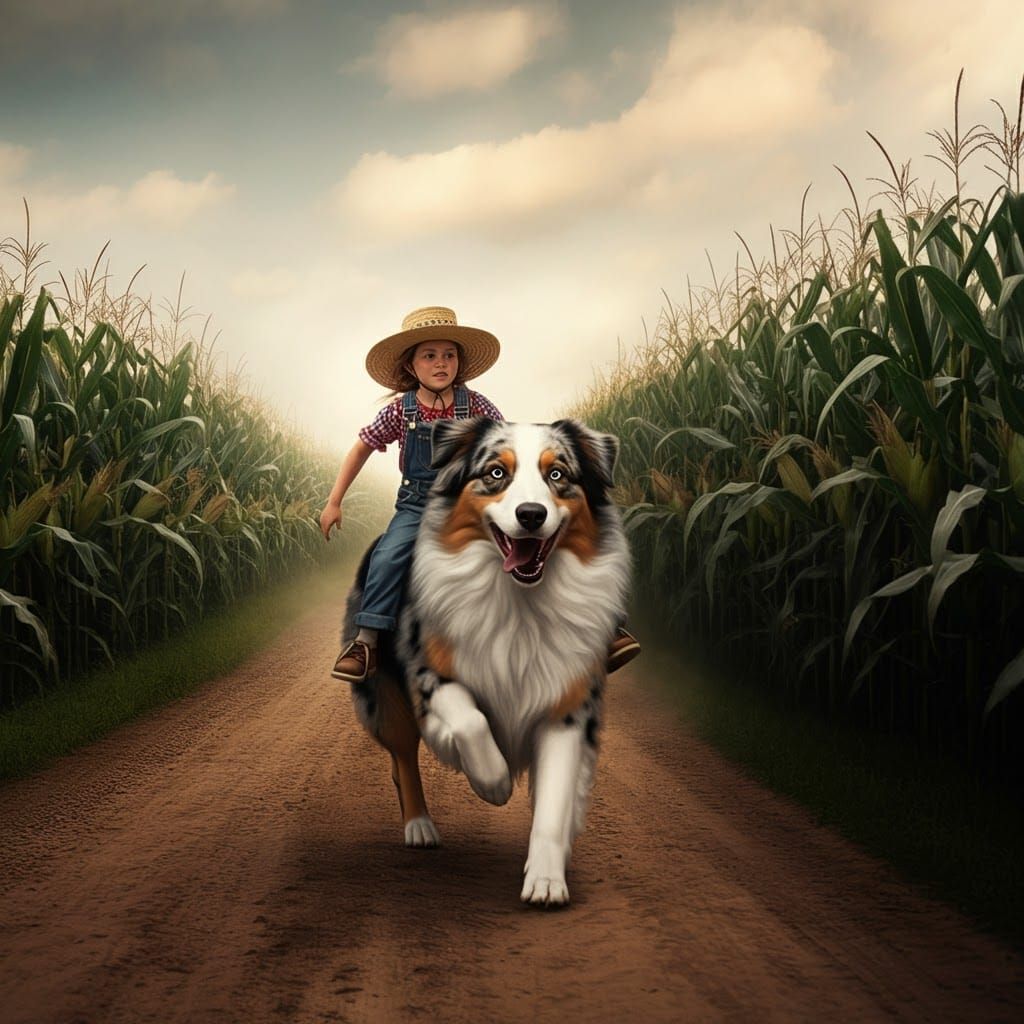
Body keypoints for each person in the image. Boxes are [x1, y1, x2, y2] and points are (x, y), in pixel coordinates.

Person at [320, 305, 640, 682]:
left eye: (449, 355)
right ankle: (366, 642)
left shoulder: (475, 405)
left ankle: (604, 629)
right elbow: (362, 447)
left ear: (459, 361)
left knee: (538, 544)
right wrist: (334, 500)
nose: (441, 363)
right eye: (430, 355)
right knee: (389, 555)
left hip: (470, 501)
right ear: (411, 366)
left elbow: (507, 443)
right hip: (417, 504)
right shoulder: (398, 412)